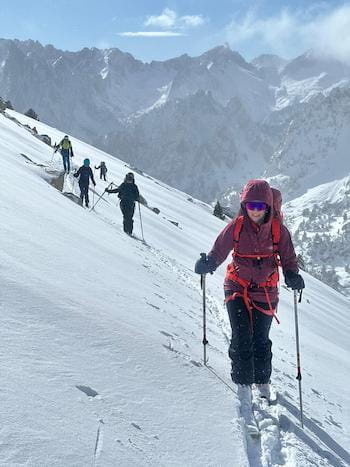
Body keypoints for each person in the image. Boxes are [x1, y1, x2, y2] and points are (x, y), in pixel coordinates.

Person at [195, 180, 304, 407]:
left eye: (260, 206)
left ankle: (262, 381)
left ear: (268, 207)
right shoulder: (236, 226)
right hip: (236, 286)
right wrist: (209, 263)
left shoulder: (278, 230)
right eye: (251, 205)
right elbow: (219, 250)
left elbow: (288, 257)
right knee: (242, 335)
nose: (255, 210)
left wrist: (292, 275)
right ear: (244, 205)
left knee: (260, 339)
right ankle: (243, 384)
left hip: (266, 292)